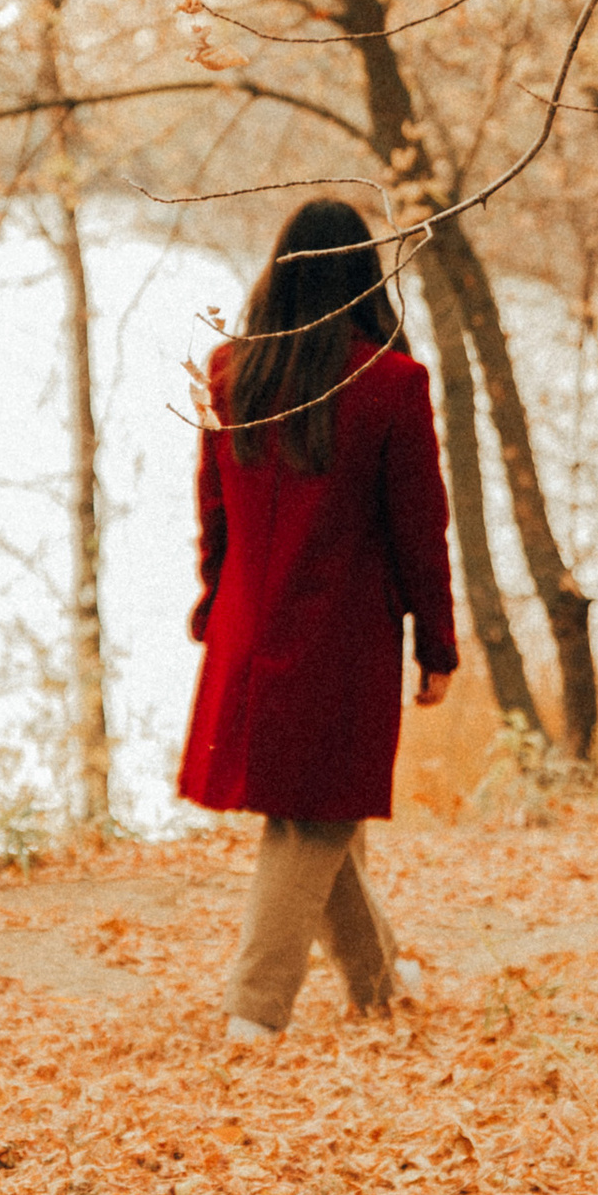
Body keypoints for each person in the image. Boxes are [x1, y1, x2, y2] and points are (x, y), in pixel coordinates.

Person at [179, 196, 457, 1043]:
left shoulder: (231, 371)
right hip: (340, 637)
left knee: (319, 803)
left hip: (247, 624)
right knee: (314, 814)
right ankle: (253, 1014)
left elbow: (213, 512)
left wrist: (212, 604)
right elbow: (422, 529)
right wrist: (437, 644)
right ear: (361, 277)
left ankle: (380, 983)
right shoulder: (393, 385)